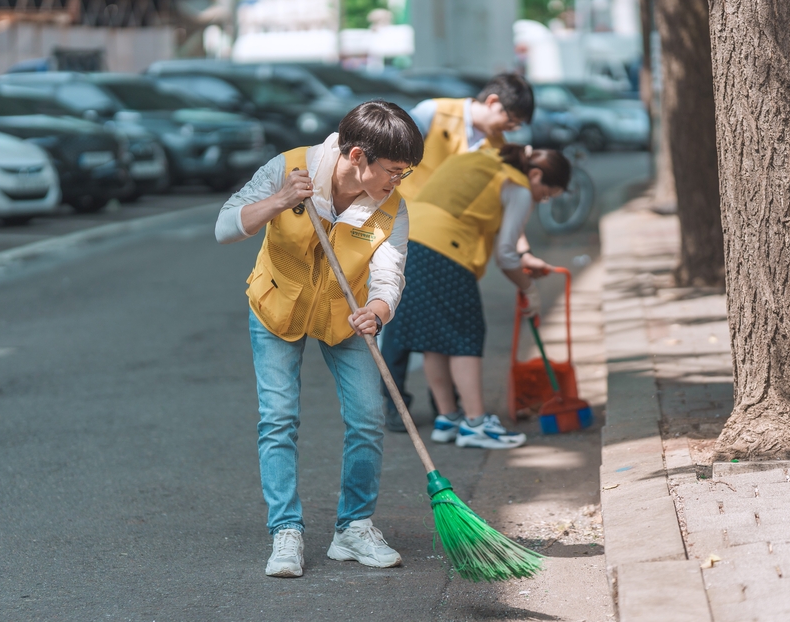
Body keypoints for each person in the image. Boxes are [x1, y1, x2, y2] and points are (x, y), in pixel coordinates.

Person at [214, 100, 424, 578]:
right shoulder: (289, 168)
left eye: (405, 172)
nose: (398, 181)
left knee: (370, 417)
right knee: (279, 417)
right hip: (276, 306)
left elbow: (391, 274)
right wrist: (279, 201)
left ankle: (353, 528)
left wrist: (378, 309)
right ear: (356, 156)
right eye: (393, 170)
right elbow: (225, 228)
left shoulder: (392, 208)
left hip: (344, 315)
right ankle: (286, 531)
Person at [380, 72, 546, 431]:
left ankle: (448, 410)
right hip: (401, 225)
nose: (512, 129)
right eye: (510, 119)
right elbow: (387, 155)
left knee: (432, 326)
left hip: (446, 239)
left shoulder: (498, 146)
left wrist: (524, 250)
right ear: (492, 102)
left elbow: (499, 207)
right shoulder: (432, 113)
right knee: (398, 319)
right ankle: (392, 402)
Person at [387, 144, 570, 449]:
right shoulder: (519, 187)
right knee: (465, 336)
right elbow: (507, 257)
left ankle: (448, 418)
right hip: (446, 250)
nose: (543, 200)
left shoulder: (484, 158)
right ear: (535, 174)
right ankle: (476, 423)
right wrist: (529, 289)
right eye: (547, 193)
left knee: (435, 337)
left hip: (409, 241)